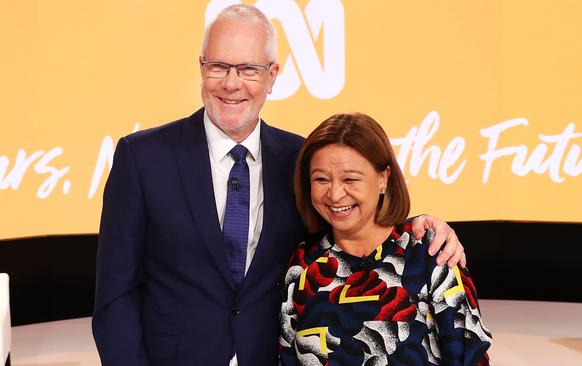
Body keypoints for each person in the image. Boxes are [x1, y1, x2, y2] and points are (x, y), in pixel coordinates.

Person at [92, 4, 465, 366]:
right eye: (218, 66)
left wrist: (421, 224)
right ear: (200, 68)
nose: (231, 83)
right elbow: (115, 296)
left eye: (249, 69)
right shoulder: (142, 158)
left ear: (272, 75)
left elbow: (349, 221)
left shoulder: (300, 158)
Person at [280, 113, 491, 365]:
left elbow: (470, 356)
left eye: (350, 179)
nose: (335, 194)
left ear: (383, 178)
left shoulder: (431, 252)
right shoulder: (302, 266)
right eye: (321, 179)